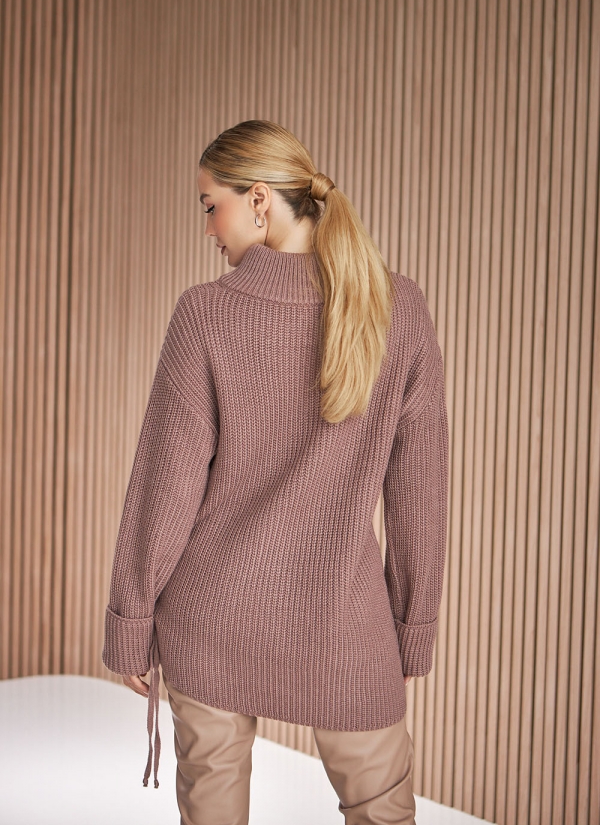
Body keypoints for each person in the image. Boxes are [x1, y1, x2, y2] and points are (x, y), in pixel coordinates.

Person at [102, 119, 449, 825]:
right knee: (383, 810)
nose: (208, 227)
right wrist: (412, 622)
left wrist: (132, 618)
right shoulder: (398, 308)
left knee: (213, 808)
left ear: (259, 199)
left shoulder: (205, 315)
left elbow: (164, 489)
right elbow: (421, 492)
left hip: (212, 619)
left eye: (211, 206)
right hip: (346, 625)